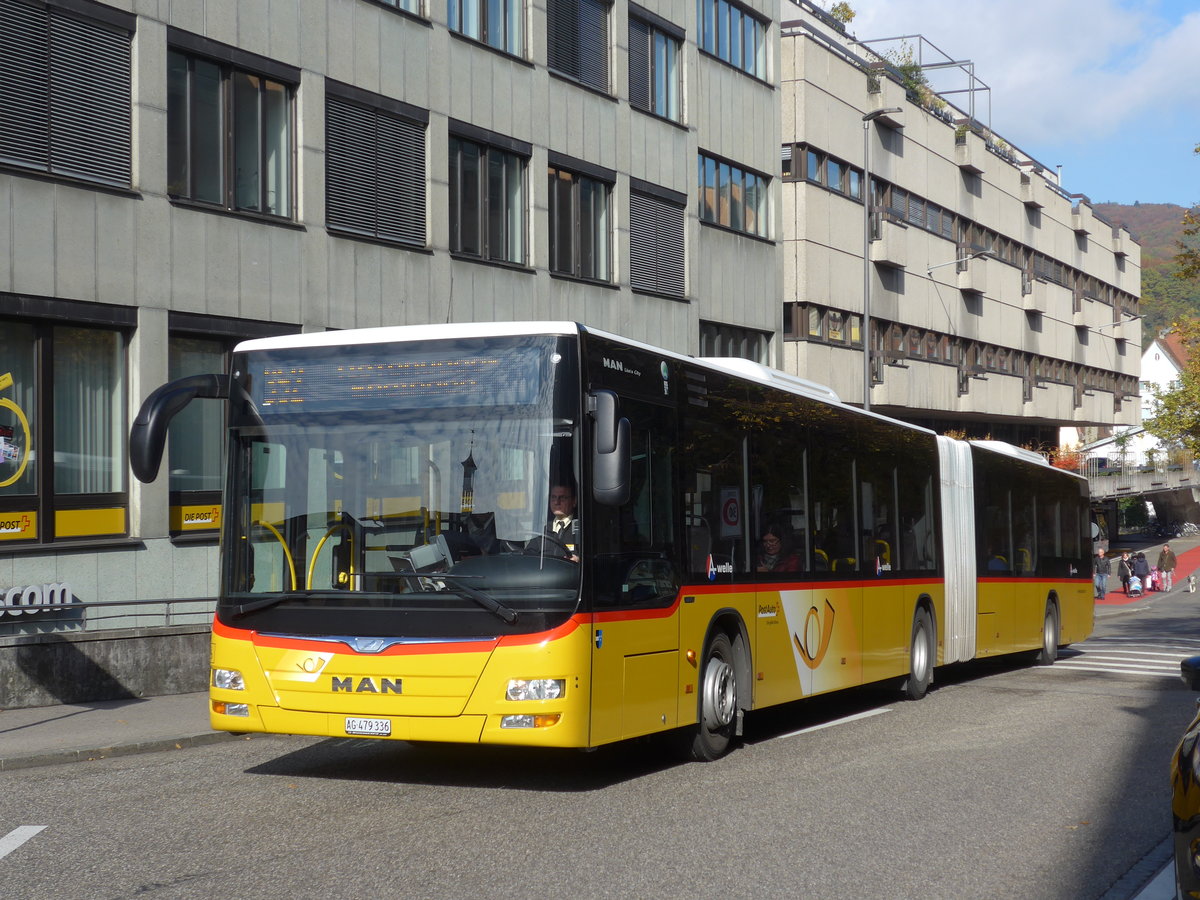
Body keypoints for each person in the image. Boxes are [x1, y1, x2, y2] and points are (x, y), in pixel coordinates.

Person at [544, 483, 579, 561]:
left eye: (562, 498)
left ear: (574, 501)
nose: (556, 502)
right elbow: (529, 555)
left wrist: (579, 560)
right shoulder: (543, 530)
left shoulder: (581, 529)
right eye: (553, 497)